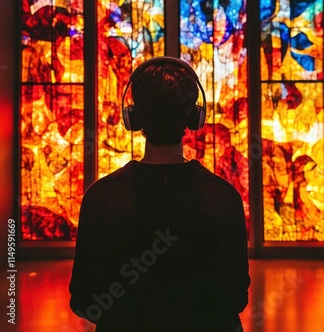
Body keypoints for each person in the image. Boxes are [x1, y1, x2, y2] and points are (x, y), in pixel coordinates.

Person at [69, 56, 250, 331]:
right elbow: (236, 298)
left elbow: (84, 300)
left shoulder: (100, 198)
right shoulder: (224, 197)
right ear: (194, 117)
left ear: (133, 116)